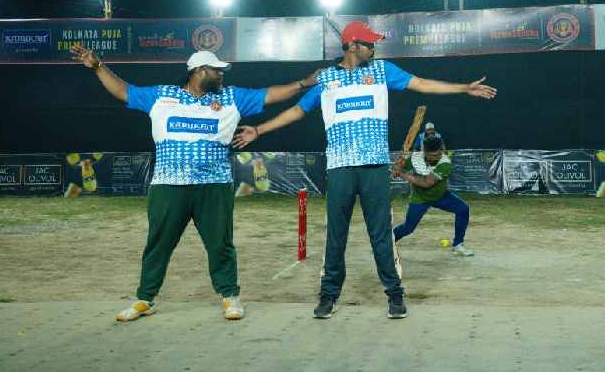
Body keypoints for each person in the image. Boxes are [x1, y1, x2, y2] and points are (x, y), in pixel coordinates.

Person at [232, 21, 496, 320]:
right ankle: (328, 295)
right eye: (370, 43)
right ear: (353, 45)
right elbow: (297, 111)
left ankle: (394, 295)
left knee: (381, 234)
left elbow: (421, 83)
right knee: (336, 236)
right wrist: (259, 130)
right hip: (340, 169)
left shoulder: (382, 71)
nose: (374, 48)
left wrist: (463, 88)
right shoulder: (326, 79)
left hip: (374, 168)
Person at [70, 44, 318, 322]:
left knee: (220, 243)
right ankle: (145, 298)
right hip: (168, 185)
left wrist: (304, 83)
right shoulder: (162, 96)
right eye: (217, 71)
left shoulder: (232, 97)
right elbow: (123, 90)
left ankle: (229, 296)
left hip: (214, 185)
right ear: (199, 71)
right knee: (159, 243)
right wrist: (97, 67)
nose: (222, 76)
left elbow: (272, 94)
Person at [392, 136, 473, 256]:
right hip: (419, 198)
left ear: (441, 151)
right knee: (408, 228)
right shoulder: (415, 158)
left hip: (441, 196)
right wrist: (398, 166)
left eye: (438, 154)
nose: (435, 157)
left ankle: (458, 244)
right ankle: (385, 244)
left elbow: (426, 183)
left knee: (463, 209)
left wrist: (402, 174)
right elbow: (396, 171)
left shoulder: (445, 162)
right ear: (424, 152)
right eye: (432, 155)